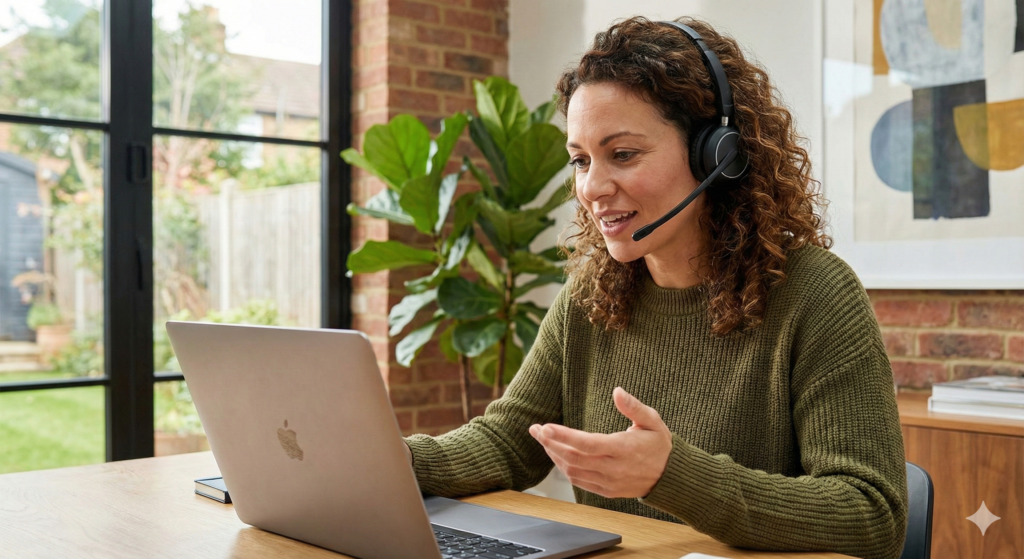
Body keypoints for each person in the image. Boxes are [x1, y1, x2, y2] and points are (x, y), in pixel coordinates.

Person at [404, 16, 908, 559]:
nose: (592, 187)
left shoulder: (815, 294)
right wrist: (373, 457)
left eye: (622, 154)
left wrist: (672, 473)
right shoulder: (592, 294)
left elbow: (871, 514)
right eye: (580, 160)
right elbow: (507, 443)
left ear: (716, 154)